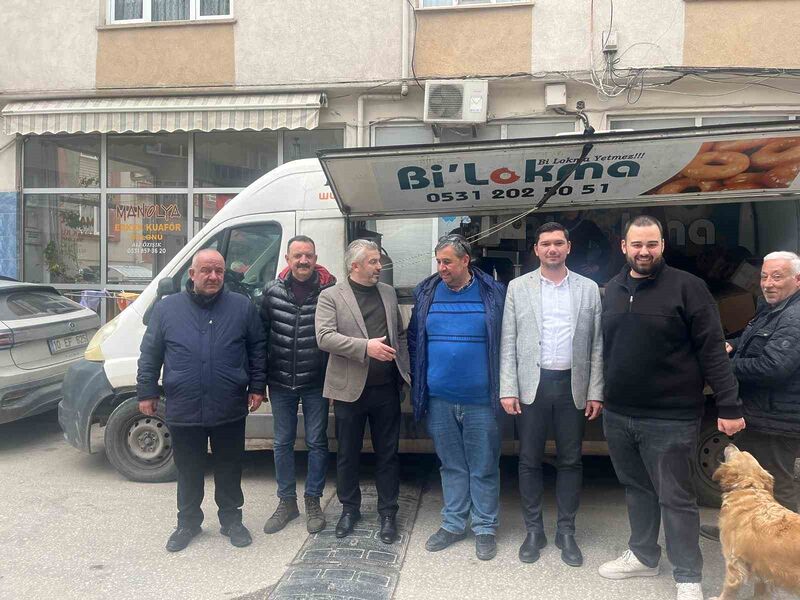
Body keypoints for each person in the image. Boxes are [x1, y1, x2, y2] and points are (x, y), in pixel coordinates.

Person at [599, 215, 745, 600]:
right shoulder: (611, 290)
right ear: (624, 247)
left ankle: (688, 577)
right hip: (619, 413)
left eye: (652, 244)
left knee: (676, 498)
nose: (644, 252)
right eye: (637, 245)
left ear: (662, 245)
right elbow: (603, 351)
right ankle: (644, 557)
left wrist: (728, 404)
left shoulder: (688, 288)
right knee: (636, 489)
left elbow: (713, 350)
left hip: (671, 416)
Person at [137, 249, 266, 552]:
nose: (213, 276)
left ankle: (231, 520)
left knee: (229, 467)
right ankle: (188, 523)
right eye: (206, 270)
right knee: (189, 468)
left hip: (229, 403)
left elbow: (258, 348)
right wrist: (146, 391)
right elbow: (151, 352)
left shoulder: (242, 307)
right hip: (184, 404)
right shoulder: (167, 309)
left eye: (219, 271)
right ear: (191, 274)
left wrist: (257, 386)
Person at [499, 222, 603, 567]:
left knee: (571, 460)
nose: (552, 249)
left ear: (569, 247)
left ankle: (566, 531)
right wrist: (508, 388)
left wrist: (596, 391)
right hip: (533, 385)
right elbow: (508, 341)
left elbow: (597, 346)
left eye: (559, 243)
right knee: (529, 460)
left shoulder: (589, 290)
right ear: (537, 250)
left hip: (573, 384)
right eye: (546, 244)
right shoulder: (518, 288)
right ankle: (534, 530)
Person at [408, 234, 506, 561]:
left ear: (466, 261)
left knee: (483, 465)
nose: (441, 268)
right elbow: (414, 341)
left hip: (481, 399)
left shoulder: (493, 293)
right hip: (439, 398)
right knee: (450, 465)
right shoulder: (427, 291)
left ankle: (485, 527)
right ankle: (453, 524)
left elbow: (507, 341)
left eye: (447, 262)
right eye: (438, 262)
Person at [315, 239, 410, 544]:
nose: (379, 267)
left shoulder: (388, 292)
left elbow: (400, 335)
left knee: (388, 455)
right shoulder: (331, 296)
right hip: (348, 391)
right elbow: (324, 337)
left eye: (379, 261)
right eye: (372, 262)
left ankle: (388, 512)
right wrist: (365, 347)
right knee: (347, 455)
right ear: (354, 266)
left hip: (386, 389)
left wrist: (405, 373)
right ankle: (349, 509)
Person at [700, 251, 800, 541]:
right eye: (764, 276)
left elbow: (774, 367)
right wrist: (731, 345)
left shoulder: (794, 316)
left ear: (797, 279)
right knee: (747, 481)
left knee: (776, 483)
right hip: (759, 414)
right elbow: (749, 338)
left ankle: (784, 545)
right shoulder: (772, 309)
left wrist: (724, 366)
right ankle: (739, 531)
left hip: (776, 420)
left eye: (777, 277)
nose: (768, 283)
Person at [260, 235, 336, 535]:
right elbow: (260, 338)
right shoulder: (271, 292)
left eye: (308, 256)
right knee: (282, 443)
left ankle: (313, 500)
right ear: (288, 260)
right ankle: (286, 502)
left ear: (315, 259)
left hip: (317, 381)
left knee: (317, 442)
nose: (303, 261)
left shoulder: (330, 292)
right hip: (280, 381)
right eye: (297, 256)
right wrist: (259, 380)